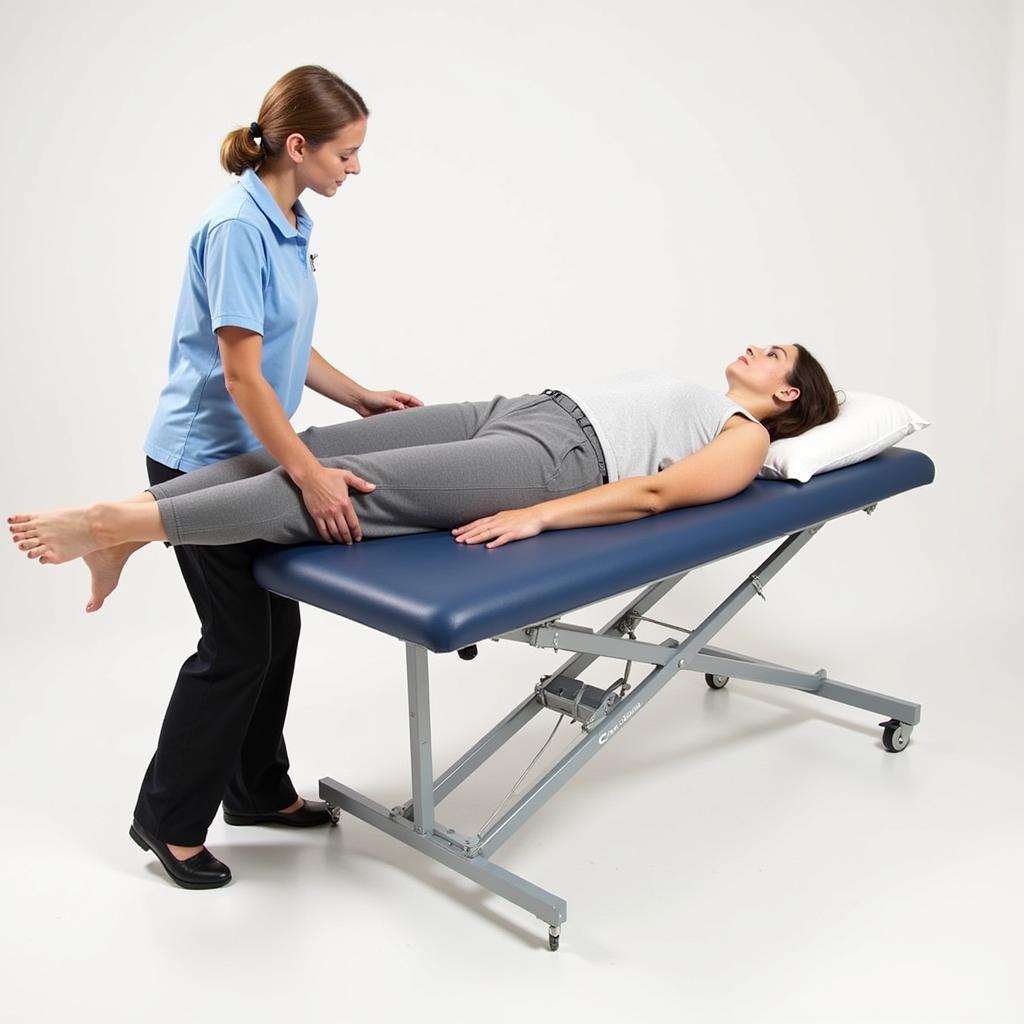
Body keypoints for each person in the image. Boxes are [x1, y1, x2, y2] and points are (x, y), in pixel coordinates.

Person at [7, 65, 429, 891]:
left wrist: (361, 394)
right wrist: (310, 474)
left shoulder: (289, 218)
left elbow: (286, 343)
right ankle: (167, 821)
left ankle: (257, 791)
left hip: (253, 453)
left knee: (278, 633)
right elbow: (242, 378)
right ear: (299, 145)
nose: (356, 167)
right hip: (204, 459)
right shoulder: (238, 227)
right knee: (236, 646)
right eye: (347, 153)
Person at [10, 345, 840, 589]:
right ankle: (129, 527)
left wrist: (542, 513)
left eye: (773, 354)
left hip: (558, 460)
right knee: (313, 450)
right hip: (518, 407)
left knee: (351, 492)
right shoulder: (701, 392)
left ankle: (111, 523)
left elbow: (657, 494)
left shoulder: (747, 437)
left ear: (789, 390)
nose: (753, 348)